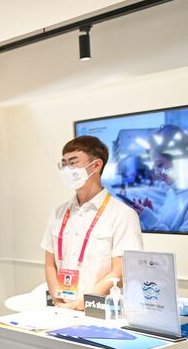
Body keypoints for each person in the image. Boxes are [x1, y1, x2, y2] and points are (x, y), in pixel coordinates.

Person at [43, 136, 143, 311]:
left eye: (73, 163)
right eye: (64, 164)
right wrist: (58, 301)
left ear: (96, 165)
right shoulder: (58, 213)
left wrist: (82, 303)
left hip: (101, 311)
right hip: (61, 310)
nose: (67, 169)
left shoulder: (122, 214)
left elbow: (120, 271)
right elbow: (50, 264)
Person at [131, 124, 188, 232]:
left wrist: (149, 219)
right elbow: (168, 228)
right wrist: (152, 214)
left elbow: (181, 246)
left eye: (160, 165)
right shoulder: (172, 192)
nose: (157, 173)